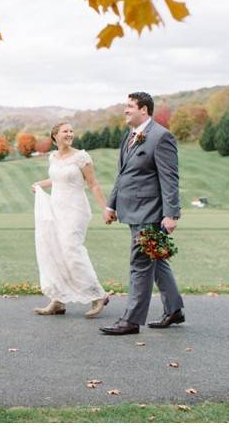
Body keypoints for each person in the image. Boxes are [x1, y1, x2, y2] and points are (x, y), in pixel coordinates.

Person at [100, 91, 184, 336]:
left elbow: (170, 179)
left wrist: (172, 214)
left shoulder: (161, 137)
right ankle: (174, 309)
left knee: (139, 264)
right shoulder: (129, 136)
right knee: (155, 259)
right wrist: (110, 205)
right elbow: (123, 174)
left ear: (144, 110)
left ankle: (132, 320)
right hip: (131, 210)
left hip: (149, 213)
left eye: (130, 106)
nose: (125, 110)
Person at [31, 122, 109, 318]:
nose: (70, 133)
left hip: (75, 210)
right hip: (56, 209)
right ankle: (58, 300)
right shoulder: (53, 157)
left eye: (72, 130)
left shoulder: (81, 157)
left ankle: (98, 295)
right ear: (55, 136)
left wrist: (106, 209)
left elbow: (93, 185)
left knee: (71, 250)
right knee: (55, 251)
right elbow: (57, 180)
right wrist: (40, 184)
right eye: (65, 131)